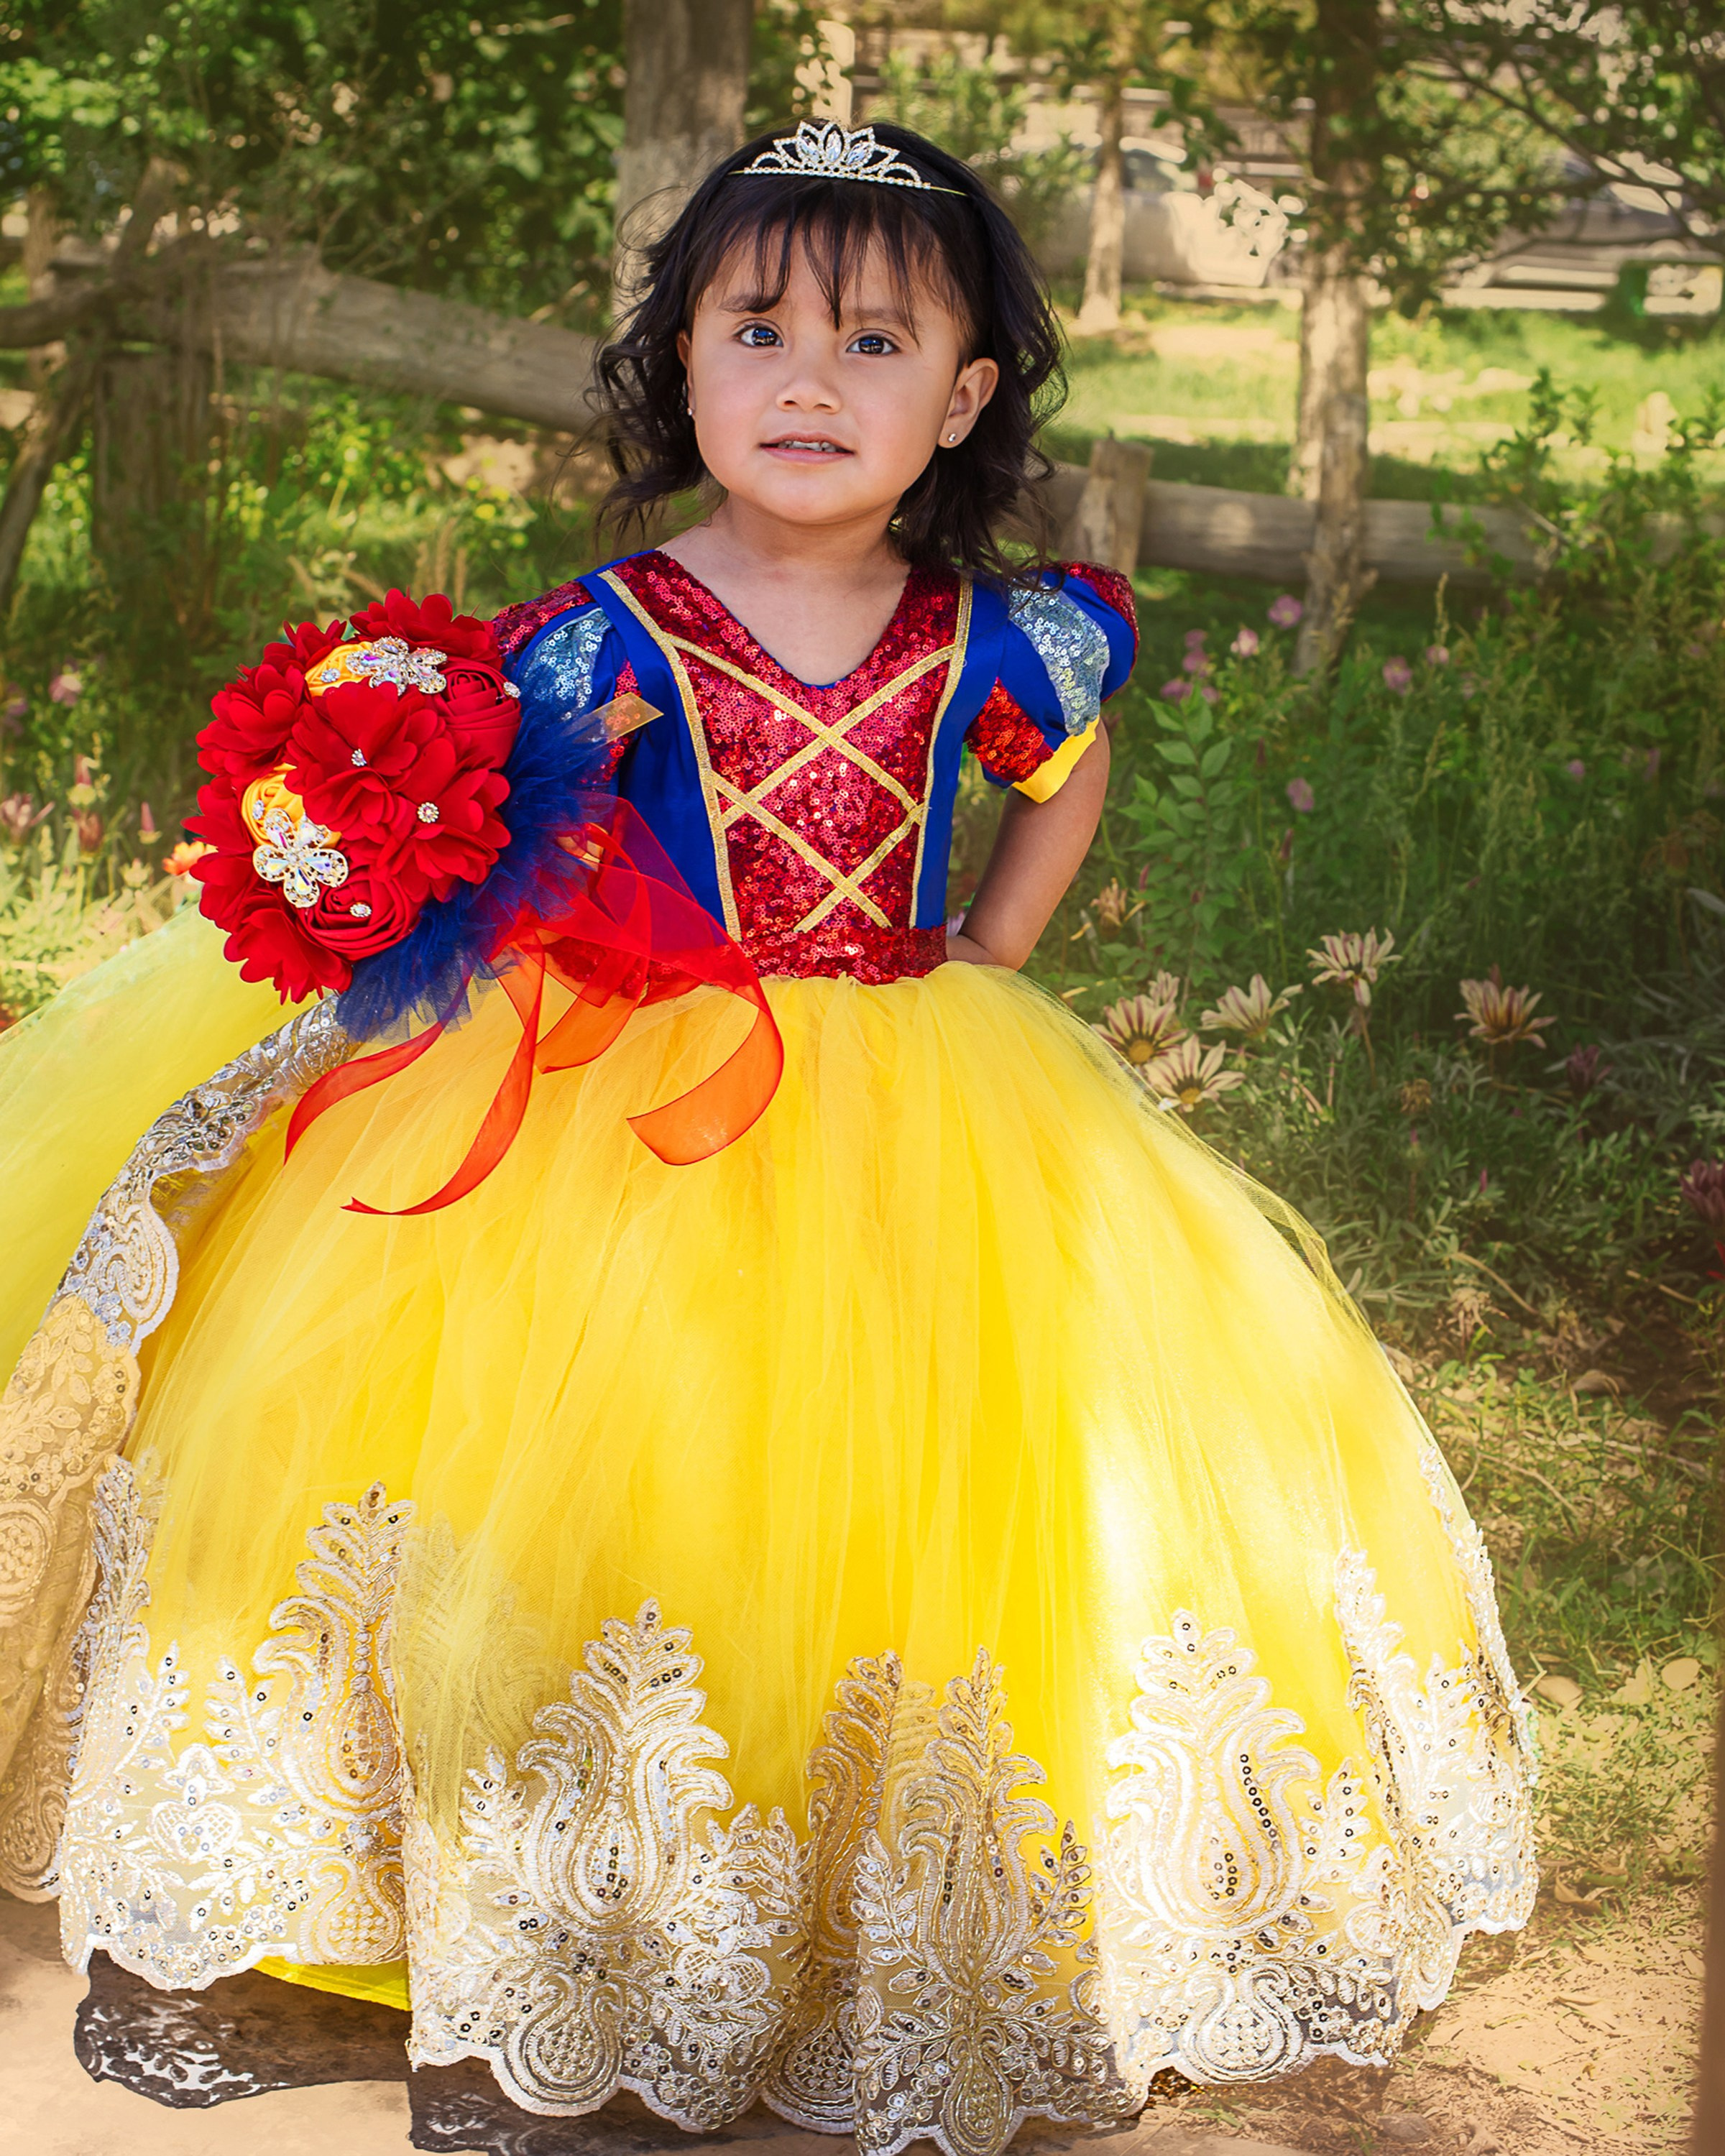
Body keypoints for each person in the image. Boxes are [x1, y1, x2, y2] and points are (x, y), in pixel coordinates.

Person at [0, 121, 1534, 2152]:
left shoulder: (996, 630)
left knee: (920, 1475)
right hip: (625, 1108)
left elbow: (1059, 779)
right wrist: (478, 897)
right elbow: (512, 825)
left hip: (918, 1081)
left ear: (964, 396)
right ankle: (536, 1889)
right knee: (580, 1467)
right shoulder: (614, 625)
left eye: (875, 340)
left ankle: (836, 1909)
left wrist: (995, 934)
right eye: (758, 330)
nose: (810, 382)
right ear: (684, 365)